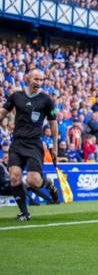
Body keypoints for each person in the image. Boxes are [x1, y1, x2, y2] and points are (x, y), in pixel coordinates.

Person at [0, 69, 60, 220]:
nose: (39, 83)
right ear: (27, 78)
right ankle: (24, 212)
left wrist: (55, 147)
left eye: (41, 80)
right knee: (15, 176)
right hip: (17, 142)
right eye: (36, 79)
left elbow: (53, 124)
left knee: (33, 181)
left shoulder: (46, 100)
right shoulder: (16, 96)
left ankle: (47, 183)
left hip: (34, 144)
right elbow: (2, 113)